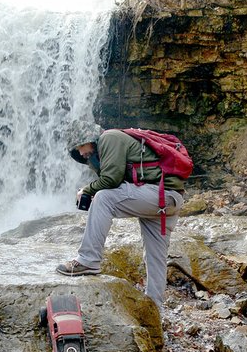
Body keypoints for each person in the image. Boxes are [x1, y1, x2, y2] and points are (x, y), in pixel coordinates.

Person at [56, 120, 186, 309]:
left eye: (80, 146)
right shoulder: (108, 146)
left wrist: (87, 190)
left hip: (159, 195)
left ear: (89, 138)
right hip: (169, 199)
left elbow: (111, 179)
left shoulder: (109, 138)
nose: (81, 153)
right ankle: (154, 308)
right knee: (155, 255)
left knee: (103, 197)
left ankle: (88, 260)